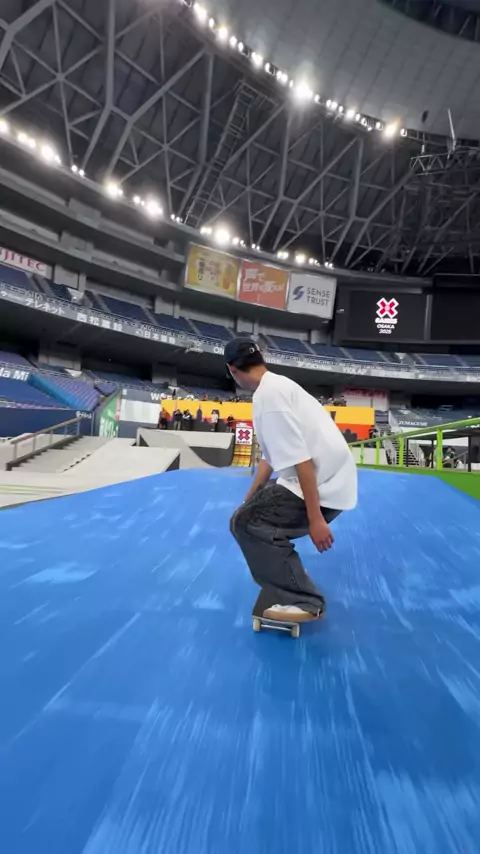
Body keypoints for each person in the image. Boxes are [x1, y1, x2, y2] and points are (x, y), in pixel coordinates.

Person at [225, 338, 357, 624]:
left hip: (324, 488)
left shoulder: (269, 398)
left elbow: (302, 462)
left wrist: (315, 520)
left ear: (232, 370)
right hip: (328, 479)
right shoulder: (275, 386)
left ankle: (305, 601)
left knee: (244, 524)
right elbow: (271, 457)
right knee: (249, 511)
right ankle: (285, 572)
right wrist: (250, 497)